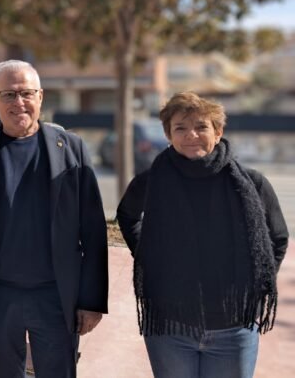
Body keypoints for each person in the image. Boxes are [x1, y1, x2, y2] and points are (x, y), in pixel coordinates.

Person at [0, 60, 108, 378]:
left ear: (41, 97)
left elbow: (93, 231)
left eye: (26, 93)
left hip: (56, 296)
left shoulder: (72, 149)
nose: (18, 103)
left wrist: (91, 300)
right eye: (8, 94)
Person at [117, 91, 289, 378]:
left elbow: (278, 238)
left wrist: (257, 283)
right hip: (170, 328)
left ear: (218, 131)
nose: (191, 135)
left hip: (233, 327)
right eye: (180, 128)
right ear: (169, 135)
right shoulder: (151, 182)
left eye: (201, 126)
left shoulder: (252, 183)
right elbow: (128, 216)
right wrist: (150, 254)